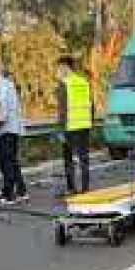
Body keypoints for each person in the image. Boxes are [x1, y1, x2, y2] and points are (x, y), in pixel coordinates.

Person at [0, 60, 27, 204]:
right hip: (12, 128)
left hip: (6, 129)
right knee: (12, 161)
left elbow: (2, 112)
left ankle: (9, 193)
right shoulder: (6, 84)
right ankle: (21, 190)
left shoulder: (0, 86)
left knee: (6, 162)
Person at [55, 56, 93, 195]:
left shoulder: (64, 84)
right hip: (84, 125)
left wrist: (60, 129)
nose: (58, 71)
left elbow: (62, 109)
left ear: (65, 67)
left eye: (59, 68)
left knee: (69, 159)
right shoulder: (84, 82)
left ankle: (71, 188)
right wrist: (90, 121)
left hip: (70, 127)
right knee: (84, 158)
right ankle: (85, 188)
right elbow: (91, 104)